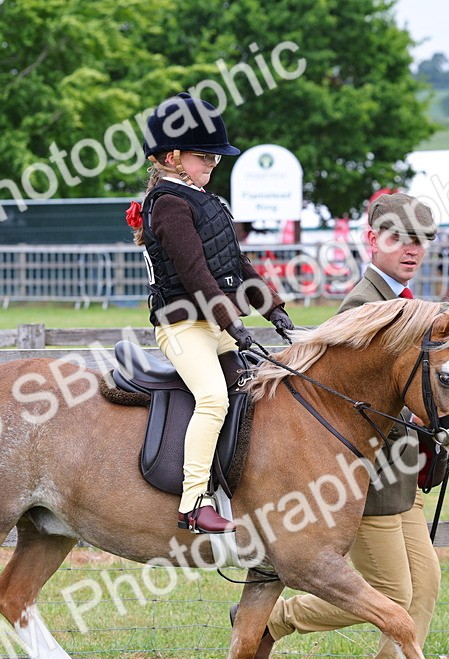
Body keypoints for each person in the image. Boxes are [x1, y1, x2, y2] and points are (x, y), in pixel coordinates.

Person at [240, 193, 441, 659]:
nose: (411, 249)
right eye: (398, 238)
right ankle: (271, 623)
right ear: (372, 240)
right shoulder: (364, 307)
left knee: (426, 584)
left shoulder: (407, 302)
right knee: (388, 591)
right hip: (367, 478)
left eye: (420, 240)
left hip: (404, 478)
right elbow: (350, 406)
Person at [132, 92, 292, 534]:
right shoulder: (168, 204)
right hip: (183, 326)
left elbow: (235, 265)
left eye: (214, 158)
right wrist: (232, 322)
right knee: (213, 397)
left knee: (263, 388)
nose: (213, 165)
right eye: (205, 157)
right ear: (172, 158)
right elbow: (196, 273)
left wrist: (272, 307)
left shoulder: (209, 203)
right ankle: (193, 502)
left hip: (215, 322)